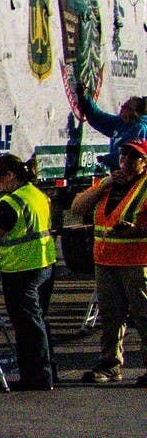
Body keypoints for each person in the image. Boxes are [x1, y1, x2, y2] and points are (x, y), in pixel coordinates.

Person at [0, 154, 57, 390]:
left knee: (27, 326)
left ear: (11, 175)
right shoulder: (37, 194)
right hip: (45, 264)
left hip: (21, 268)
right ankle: (47, 373)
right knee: (38, 322)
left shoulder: (11, 202)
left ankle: (36, 377)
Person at [68, 139, 147, 384]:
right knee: (111, 316)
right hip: (105, 260)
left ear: (144, 162)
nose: (125, 161)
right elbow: (78, 207)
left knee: (144, 316)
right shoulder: (109, 183)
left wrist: (135, 231)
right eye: (123, 155)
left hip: (136, 261)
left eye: (133, 157)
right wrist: (106, 184)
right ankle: (110, 365)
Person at [81, 95, 147, 173]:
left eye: (125, 107)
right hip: (119, 172)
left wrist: (107, 159)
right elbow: (99, 118)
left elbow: (131, 154)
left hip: (133, 174)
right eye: (122, 106)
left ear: (135, 112)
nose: (122, 109)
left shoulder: (140, 128)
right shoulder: (121, 122)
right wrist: (85, 98)